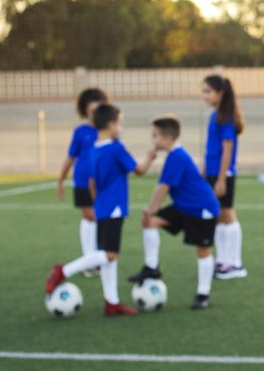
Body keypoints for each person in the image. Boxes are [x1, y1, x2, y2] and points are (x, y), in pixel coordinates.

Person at [46, 103, 156, 316]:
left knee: (108, 256)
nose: (120, 128)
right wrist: (150, 158)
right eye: (119, 123)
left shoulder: (94, 149)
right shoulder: (115, 148)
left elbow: (91, 182)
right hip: (114, 207)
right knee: (110, 255)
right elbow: (140, 171)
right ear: (111, 124)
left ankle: (111, 302)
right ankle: (62, 271)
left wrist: (98, 202)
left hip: (103, 206)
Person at [128, 116, 220, 310]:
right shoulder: (173, 155)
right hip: (183, 207)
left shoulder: (177, 156)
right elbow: (162, 187)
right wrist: (150, 212)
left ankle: (203, 293)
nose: (152, 140)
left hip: (201, 209)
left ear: (167, 137)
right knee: (149, 222)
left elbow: (163, 188)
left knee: (203, 251)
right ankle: (152, 267)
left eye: (155, 136)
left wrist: (151, 208)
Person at [55, 87, 109, 276]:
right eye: (91, 110)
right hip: (82, 182)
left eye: (99, 109)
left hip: (102, 183)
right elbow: (70, 157)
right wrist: (60, 180)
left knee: (101, 218)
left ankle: (96, 258)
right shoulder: (80, 132)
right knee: (90, 217)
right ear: (85, 110)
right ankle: (90, 261)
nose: (95, 114)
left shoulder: (107, 131)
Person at [201, 74, 247, 280]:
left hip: (223, 173)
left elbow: (227, 150)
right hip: (212, 172)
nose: (204, 95)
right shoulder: (215, 115)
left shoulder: (226, 117)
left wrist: (221, 179)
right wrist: (204, 170)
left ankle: (235, 263)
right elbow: (210, 148)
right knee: (218, 215)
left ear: (220, 93)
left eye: (207, 91)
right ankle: (222, 260)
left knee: (227, 214)